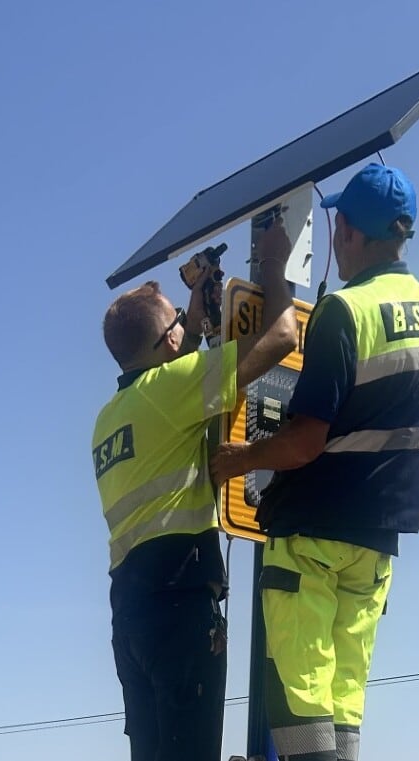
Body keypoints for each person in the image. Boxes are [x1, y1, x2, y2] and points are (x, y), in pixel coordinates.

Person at [210, 164, 419, 761]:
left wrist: (239, 459)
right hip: (375, 543)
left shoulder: (347, 312)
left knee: (299, 699)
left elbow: (304, 441)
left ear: (346, 230)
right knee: (343, 701)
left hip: (312, 533)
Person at [93, 220, 298, 761]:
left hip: (131, 610)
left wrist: (192, 306)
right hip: (181, 601)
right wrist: (274, 265)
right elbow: (281, 337)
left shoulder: (110, 417)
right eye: (178, 323)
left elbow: (170, 368)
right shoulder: (172, 389)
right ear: (169, 342)